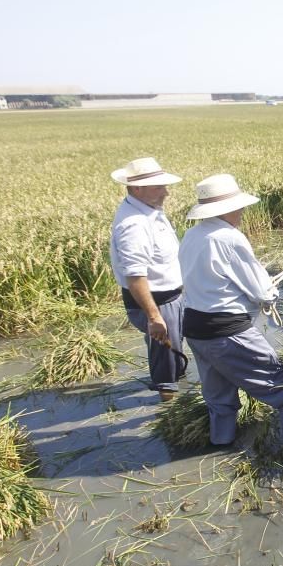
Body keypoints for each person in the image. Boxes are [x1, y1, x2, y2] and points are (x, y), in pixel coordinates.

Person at [178, 174, 283, 448]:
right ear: (228, 209)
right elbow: (261, 292)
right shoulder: (229, 238)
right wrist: (271, 291)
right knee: (282, 386)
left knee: (219, 400)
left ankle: (221, 446)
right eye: (239, 206)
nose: (243, 211)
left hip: (196, 330)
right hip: (228, 334)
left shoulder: (192, 235)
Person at [109, 157, 186, 402]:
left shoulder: (150, 211)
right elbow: (135, 276)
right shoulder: (134, 224)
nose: (166, 192)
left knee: (173, 354)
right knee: (165, 359)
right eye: (158, 187)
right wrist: (154, 317)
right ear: (137, 188)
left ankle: (176, 391)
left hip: (170, 298)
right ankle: (170, 410)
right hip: (158, 303)